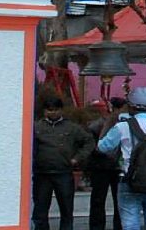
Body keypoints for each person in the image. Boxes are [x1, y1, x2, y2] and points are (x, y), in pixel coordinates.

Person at [96, 87, 146, 230]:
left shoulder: (123, 127)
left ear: (129, 105)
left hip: (130, 179)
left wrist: (110, 121)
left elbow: (102, 147)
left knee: (130, 220)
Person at [32, 96, 93, 230]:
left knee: (66, 210)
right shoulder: (36, 127)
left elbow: (89, 142)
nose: (52, 113)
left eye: (55, 110)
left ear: (61, 110)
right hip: (42, 173)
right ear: (44, 111)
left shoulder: (72, 128)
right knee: (40, 211)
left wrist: (77, 158)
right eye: (49, 110)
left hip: (63, 173)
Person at [84, 98, 126, 230]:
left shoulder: (124, 124)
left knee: (116, 201)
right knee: (99, 200)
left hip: (111, 167)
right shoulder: (98, 125)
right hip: (102, 167)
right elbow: (92, 146)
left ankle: (116, 226)